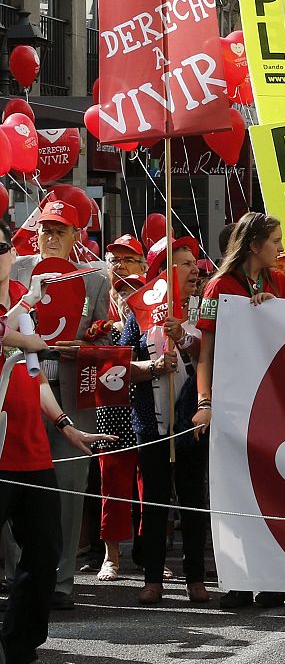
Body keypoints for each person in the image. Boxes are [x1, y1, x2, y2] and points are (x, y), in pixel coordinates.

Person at [1, 220, 114, 664]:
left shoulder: (17, 298)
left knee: (44, 554)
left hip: (33, 455)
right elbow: (22, 343)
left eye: (6, 244)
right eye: (4, 248)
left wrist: (66, 426)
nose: (11, 253)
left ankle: (21, 652)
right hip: (1, 454)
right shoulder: (18, 307)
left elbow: (35, 374)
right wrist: (26, 333)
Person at [194, 212, 285, 610]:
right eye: (274, 241)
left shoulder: (281, 282)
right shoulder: (218, 287)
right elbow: (206, 353)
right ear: (254, 245)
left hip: (272, 405)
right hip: (232, 407)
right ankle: (236, 582)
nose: (280, 248)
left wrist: (272, 311)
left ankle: (271, 580)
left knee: (272, 491)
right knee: (233, 492)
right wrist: (205, 403)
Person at [126, 235, 210, 605]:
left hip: (192, 423)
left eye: (194, 263)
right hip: (152, 425)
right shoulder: (137, 313)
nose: (195, 269)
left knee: (193, 499)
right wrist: (153, 366)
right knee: (155, 502)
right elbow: (120, 366)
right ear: (164, 273)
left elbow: (213, 358)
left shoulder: (204, 312)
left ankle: (195, 577)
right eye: (185, 263)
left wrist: (187, 342)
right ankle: (152, 578)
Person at [89, 234, 148, 583]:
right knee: (111, 482)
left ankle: (148, 552)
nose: (121, 266)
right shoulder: (97, 303)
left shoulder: (151, 303)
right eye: (115, 259)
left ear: (143, 267)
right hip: (107, 407)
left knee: (149, 486)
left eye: (128, 260)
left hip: (144, 405)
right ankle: (110, 557)